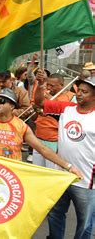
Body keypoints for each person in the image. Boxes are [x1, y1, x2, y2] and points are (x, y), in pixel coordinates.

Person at [34, 72, 94, 239]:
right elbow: (39, 103)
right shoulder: (65, 109)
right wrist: (40, 85)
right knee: (55, 213)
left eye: (85, 92)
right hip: (62, 175)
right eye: (79, 90)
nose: (79, 94)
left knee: (85, 221)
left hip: (87, 180)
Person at [33, 73, 75, 169]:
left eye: (52, 86)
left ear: (61, 85)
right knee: (37, 171)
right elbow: (36, 114)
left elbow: (72, 117)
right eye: (47, 84)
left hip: (54, 141)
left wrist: (53, 101)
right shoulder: (44, 94)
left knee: (51, 172)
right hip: (38, 137)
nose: (49, 88)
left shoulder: (71, 97)